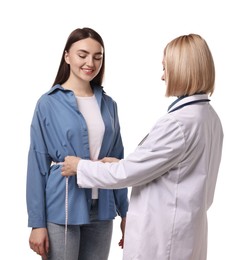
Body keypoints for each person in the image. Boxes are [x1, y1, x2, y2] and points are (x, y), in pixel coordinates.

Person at [61, 33, 224, 260]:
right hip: (185, 231)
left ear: (183, 70)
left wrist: (80, 167)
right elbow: (166, 168)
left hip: (163, 239)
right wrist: (123, 164)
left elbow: (128, 174)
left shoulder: (177, 124)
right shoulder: (208, 118)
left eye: (166, 68)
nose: (163, 76)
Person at [26, 27, 128, 260]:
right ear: (67, 56)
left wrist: (126, 212)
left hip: (102, 208)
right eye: (82, 55)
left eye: (97, 57)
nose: (90, 62)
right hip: (62, 206)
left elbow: (118, 163)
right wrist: (37, 223)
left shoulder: (109, 105)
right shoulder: (48, 103)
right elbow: (37, 164)